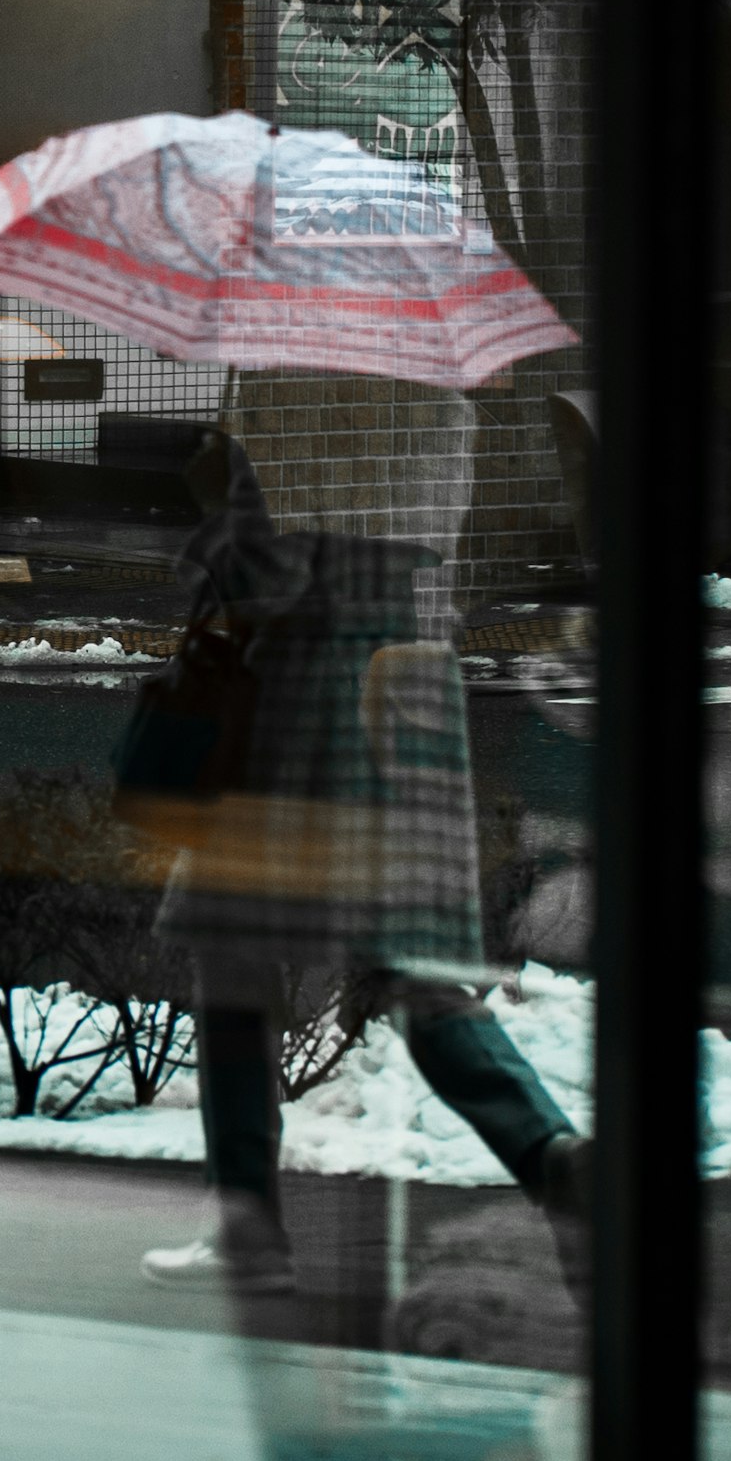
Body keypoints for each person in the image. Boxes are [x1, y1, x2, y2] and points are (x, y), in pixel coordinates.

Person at [129, 405, 591, 1301]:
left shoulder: (290, 380)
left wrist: (216, 495)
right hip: (412, 697)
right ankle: (553, 1159)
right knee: (419, 973)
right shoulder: (441, 396)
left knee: (235, 969)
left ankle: (248, 1225)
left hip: (295, 702)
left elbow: (263, 569)